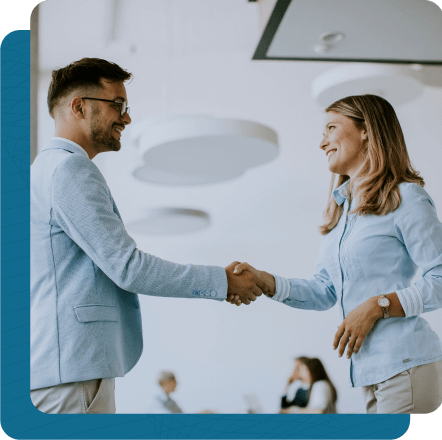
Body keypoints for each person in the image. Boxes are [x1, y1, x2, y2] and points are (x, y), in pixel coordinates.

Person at [30, 58, 270, 414]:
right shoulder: (69, 169)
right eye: (118, 105)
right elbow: (128, 267)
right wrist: (222, 282)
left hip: (61, 367)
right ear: (79, 106)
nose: (126, 117)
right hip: (72, 371)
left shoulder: (42, 171)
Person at [228, 94, 442, 414]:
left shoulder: (406, 197)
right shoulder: (342, 215)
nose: (322, 142)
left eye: (331, 128)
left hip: (406, 365)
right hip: (369, 373)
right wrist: (264, 281)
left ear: (366, 131)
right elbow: (324, 291)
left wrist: (377, 305)